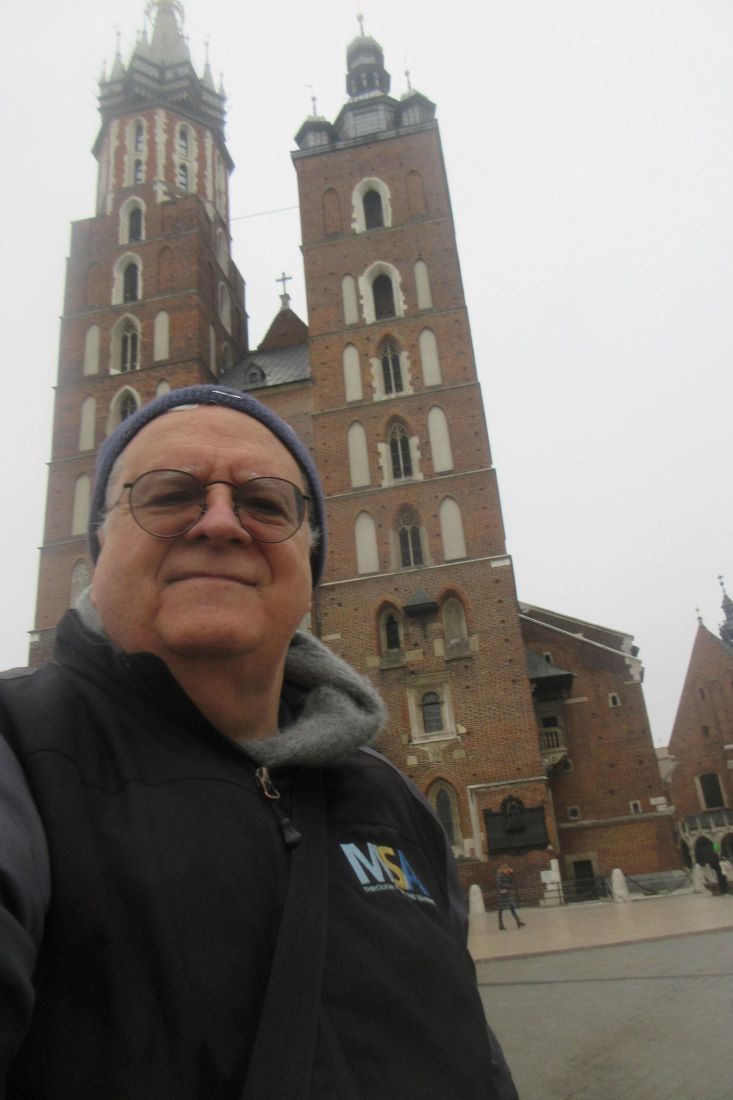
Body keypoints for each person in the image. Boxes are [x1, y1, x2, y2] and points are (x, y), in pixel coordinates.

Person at [0, 385, 518, 1098]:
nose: (221, 522)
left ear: (311, 564)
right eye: (169, 495)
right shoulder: (19, 752)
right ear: (97, 547)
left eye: (265, 505)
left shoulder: (391, 800)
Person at [496, 863, 525, 930]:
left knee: (512, 907)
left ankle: (518, 921)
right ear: (503, 869)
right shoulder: (498, 875)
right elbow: (500, 884)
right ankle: (500, 925)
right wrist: (508, 886)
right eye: (507, 870)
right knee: (500, 909)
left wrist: (512, 874)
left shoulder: (506, 875)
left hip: (507, 893)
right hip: (501, 894)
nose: (507, 871)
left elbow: (510, 881)